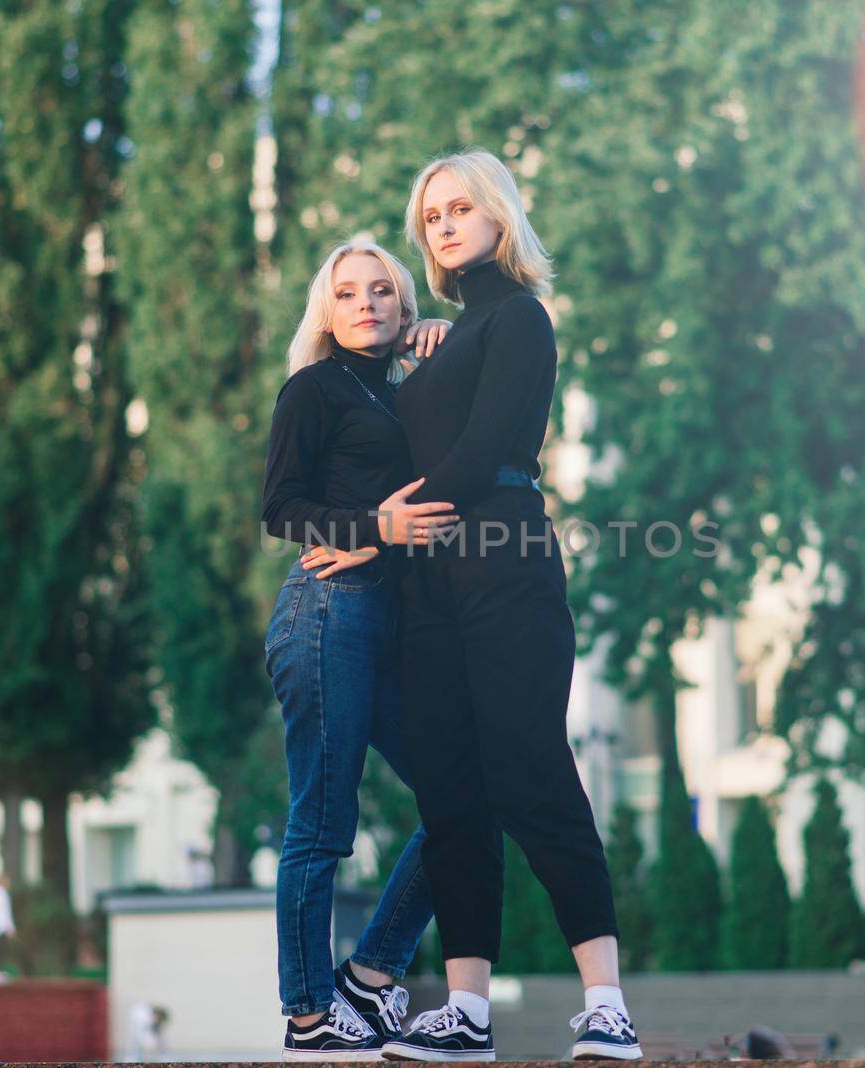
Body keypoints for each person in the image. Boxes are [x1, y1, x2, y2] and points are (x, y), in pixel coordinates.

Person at [379, 150, 641, 1062]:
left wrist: (385, 524)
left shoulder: (522, 318)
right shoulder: (441, 345)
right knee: (451, 793)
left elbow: (489, 441)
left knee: (530, 768)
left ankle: (607, 1005)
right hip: (429, 584)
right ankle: (466, 1014)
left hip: (504, 555)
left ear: (497, 216)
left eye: (459, 209)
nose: (445, 227)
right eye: (432, 218)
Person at [262, 239, 457, 1061]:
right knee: (323, 820)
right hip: (325, 613)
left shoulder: (405, 393)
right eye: (348, 293)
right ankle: (309, 1011)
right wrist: (374, 529)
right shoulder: (313, 389)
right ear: (328, 310)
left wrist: (453, 346)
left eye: (384, 290)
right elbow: (280, 507)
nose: (367, 303)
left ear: (405, 307)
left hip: (386, 627)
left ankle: (371, 975)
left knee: (464, 793)